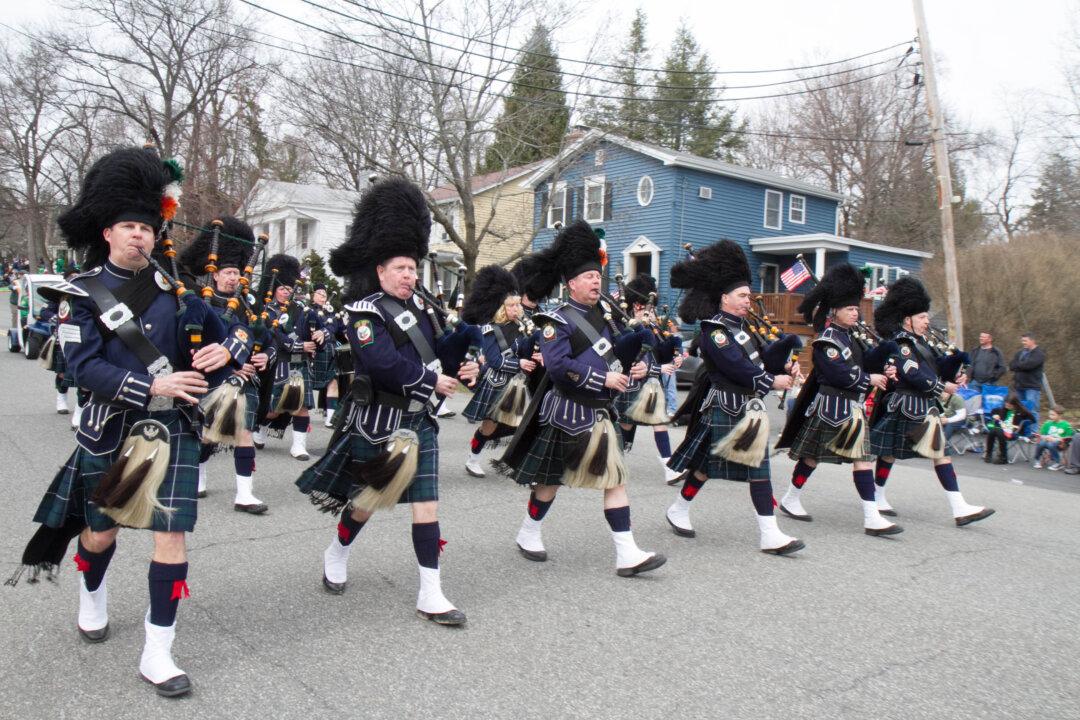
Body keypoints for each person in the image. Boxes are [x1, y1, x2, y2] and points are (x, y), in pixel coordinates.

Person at [7, 146, 232, 697]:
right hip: (111, 430)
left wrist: (227, 351)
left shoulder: (176, 292)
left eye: (147, 228)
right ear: (107, 232)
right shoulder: (79, 294)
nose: (140, 236)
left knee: (172, 537)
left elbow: (239, 332)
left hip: (171, 431)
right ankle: (91, 594)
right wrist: (153, 384)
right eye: (129, 226)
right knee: (100, 533)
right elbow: (82, 367)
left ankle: (158, 653)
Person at [295, 177, 479, 626]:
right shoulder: (364, 312)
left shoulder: (426, 309)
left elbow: (439, 357)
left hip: (420, 423)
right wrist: (428, 381)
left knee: (427, 507)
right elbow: (379, 362)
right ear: (380, 271)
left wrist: (465, 366)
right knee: (366, 502)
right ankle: (337, 552)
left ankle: (431, 592)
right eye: (400, 268)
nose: (409, 275)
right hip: (377, 421)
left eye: (413, 268)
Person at [499, 220, 666, 577]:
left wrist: (641, 366)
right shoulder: (555, 320)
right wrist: (603, 376)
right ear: (571, 283)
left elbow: (632, 349)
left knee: (615, 479)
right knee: (549, 481)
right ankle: (529, 532)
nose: (596, 282)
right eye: (589, 277)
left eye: (598, 277)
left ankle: (627, 553)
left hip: (601, 413)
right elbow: (558, 367)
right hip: (566, 412)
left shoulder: (609, 318)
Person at [663, 240, 806, 554]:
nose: (747, 300)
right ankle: (768, 534)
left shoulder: (744, 327)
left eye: (748, 295)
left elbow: (760, 358)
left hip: (746, 408)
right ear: (724, 297)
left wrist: (784, 358)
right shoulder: (713, 330)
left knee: (707, 466)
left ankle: (679, 509)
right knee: (747, 468)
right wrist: (774, 381)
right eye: (742, 296)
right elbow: (737, 367)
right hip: (726, 405)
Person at [775, 263, 902, 536]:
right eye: (850, 309)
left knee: (862, 459)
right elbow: (840, 374)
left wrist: (883, 366)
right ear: (835, 312)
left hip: (852, 408)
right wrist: (870, 379)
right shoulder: (827, 340)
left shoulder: (850, 337)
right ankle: (791, 498)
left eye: (856, 308)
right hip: (831, 407)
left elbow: (864, 362)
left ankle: (870, 516)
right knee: (811, 458)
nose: (855, 312)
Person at [868, 276, 994, 526]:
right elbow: (913, 373)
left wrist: (956, 370)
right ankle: (957, 507)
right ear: (908, 319)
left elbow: (935, 367)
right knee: (918, 453)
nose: (927, 321)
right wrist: (942, 386)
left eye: (926, 317)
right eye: (922, 317)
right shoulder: (901, 343)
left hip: (922, 405)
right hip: (907, 404)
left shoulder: (921, 341)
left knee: (899, 453)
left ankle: (881, 496)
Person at [179, 217, 270, 514]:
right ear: (215, 275)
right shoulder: (200, 302)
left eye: (236, 273)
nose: (233, 278)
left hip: (245, 382)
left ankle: (244, 494)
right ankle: (200, 477)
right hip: (214, 378)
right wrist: (230, 363)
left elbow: (263, 337)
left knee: (243, 432)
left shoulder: (247, 305)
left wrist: (264, 355)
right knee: (209, 434)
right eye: (227, 273)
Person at [461, 265, 537, 477]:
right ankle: (473, 459)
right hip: (497, 382)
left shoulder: (525, 326)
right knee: (489, 427)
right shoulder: (490, 329)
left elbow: (527, 350)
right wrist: (518, 364)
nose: (516, 309)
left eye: (517, 305)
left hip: (520, 383)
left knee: (524, 426)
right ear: (502, 308)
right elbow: (494, 360)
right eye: (511, 306)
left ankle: (519, 464)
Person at [612, 274, 681, 484]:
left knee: (659, 422)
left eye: (651, 308)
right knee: (626, 425)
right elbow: (628, 358)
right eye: (647, 308)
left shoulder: (653, 326)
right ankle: (615, 463)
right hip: (631, 384)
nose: (651, 312)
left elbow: (661, 350)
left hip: (650, 385)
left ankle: (670, 468)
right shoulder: (626, 326)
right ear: (637, 306)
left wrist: (675, 354)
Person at [256, 254, 324, 460]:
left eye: (289, 289)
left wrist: (321, 334)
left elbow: (324, 327)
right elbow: (275, 337)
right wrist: (300, 345)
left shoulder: (303, 309)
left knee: (302, 406)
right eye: (282, 289)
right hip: (281, 364)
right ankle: (259, 426)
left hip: (301, 364)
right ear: (275, 289)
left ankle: (299, 446)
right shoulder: (267, 311)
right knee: (274, 409)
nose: (286, 292)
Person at [308, 283, 341, 427]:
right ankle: (299, 414)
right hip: (312, 350)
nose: (323, 296)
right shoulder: (308, 311)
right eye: (320, 293)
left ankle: (331, 419)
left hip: (330, 350)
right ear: (313, 296)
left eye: (324, 294)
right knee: (305, 384)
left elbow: (336, 327)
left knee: (333, 382)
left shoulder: (331, 312)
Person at [983, 396, 1035, 464]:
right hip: (1002, 429)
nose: (1007, 406)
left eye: (1009, 405)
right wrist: (995, 415)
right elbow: (993, 411)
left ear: (1015, 405)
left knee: (998, 431)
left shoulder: (1021, 412)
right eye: (1006, 404)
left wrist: (1023, 423)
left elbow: (1032, 419)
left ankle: (1003, 457)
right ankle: (988, 454)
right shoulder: (1003, 409)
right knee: (993, 430)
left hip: (1014, 431)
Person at [1009, 333, 1045, 420]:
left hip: (1032, 388)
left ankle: (1033, 432)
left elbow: (1028, 366)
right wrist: (1020, 365)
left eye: (1025, 341)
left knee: (1032, 410)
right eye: (1022, 340)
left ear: (1032, 341)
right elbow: (1011, 365)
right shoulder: (1020, 353)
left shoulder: (1039, 353)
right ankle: (1023, 431)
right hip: (1019, 386)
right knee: (1019, 410)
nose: (1023, 342)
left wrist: (1018, 365)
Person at [1032, 405, 1072, 470]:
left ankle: (1058, 463)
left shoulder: (1066, 425)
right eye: (1050, 414)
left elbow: (1069, 437)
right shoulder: (1047, 423)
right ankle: (1037, 460)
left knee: (1051, 444)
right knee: (1040, 443)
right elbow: (1041, 434)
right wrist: (1045, 437)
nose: (1050, 416)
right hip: (1047, 441)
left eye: (1053, 415)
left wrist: (1055, 439)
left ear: (1060, 415)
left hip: (1061, 444)